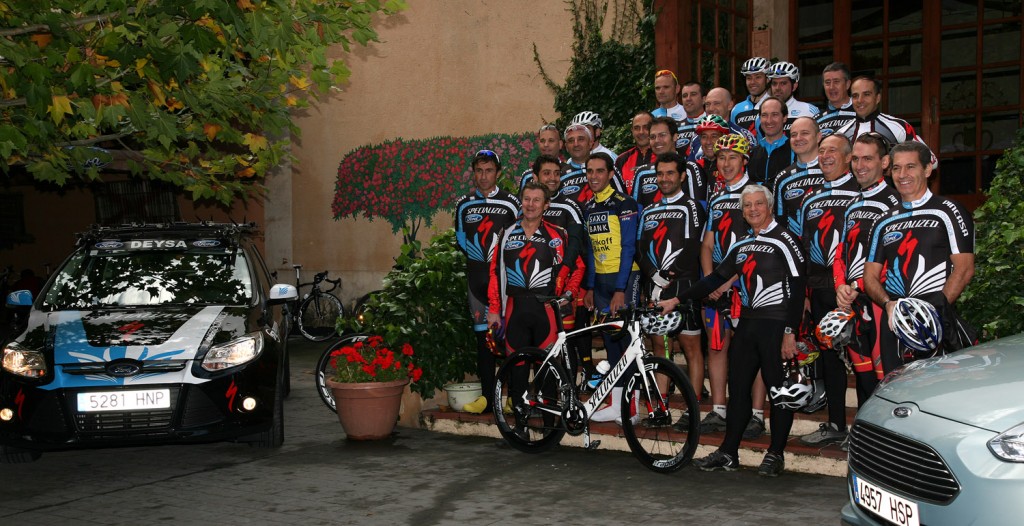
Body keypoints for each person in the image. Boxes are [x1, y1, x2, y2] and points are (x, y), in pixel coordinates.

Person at [660, 184, 808, 477]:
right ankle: (729, 452)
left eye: (758, 204)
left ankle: (775, 454)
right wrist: (677, 299)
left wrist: (791, 332)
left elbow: (799, 287)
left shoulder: (786, 239)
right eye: (748, 206)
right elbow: (716, 278)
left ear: (769, 206)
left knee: (779, 392)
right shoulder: (742, 244)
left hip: (777, 324)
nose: (753, 210)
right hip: (749, 323)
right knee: (737, 389)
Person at [863, 141, 975, 375]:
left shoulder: (948, 211)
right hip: (895, 320)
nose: (902, 175)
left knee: (939, 393)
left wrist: (931, 313)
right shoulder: (882, 220)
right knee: (896, 391)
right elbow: (870, 276)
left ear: (927, 170)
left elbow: (964, 270)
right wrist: (888, 304)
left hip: (936, 318)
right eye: (896, 168)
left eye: (910, 167)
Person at [792, 134, 860, 448]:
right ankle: (835, 423)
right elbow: (803, 248)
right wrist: (805, 291)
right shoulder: (810, 198)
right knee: (830, 357)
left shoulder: (861, 193)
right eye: (822, 151)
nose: (825, 155)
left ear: (849, 157)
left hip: (854, 291)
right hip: (819, 289)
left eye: (832, 150)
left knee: (862, 360)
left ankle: (865, 431)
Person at [699, 134, 768, 438]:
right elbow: (707, 244)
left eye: (732, 157)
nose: (725, 163)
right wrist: (710, 281)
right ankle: (718, 409)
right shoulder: (716, 196)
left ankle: (756, 413)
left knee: (752, 350)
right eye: (721, 157)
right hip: (716, 286)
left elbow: (759, 245)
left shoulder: (756, 194)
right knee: (717, 346)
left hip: (748, 284)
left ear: (745, 160)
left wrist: (728, 281)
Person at [833, 132, 901, 405]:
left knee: (886, 380)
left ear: (884, 162)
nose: (860, 165)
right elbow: (840, 253)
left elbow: (897, 259)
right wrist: (840, 285)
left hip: (880, 301)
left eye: (868, 159)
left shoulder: (895, 202)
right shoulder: (852, 204)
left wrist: (859, 286)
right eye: (856, 159)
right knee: (863, 378)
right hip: (852, 301)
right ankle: (864, 439)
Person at [636, 151, 707, 407]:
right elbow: (640, 248)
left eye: (670, 173)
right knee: (659, 346)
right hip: (654, 285)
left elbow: (693, 246)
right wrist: (653, 276)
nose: (664, 178)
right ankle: (661, 405)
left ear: (682, 176)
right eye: (660, 173)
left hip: (684, 285)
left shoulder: (691, 206)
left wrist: (670, 275)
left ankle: (694, 406)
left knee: (691, 348)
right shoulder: (649, 210)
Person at [454, 150, 522, 414]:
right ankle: (486, 397)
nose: (484, 176)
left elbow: (520, 239)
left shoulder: (511, 203)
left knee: (509, 339)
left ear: (498, 173)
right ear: (474, 173)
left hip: (505, 283)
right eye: (479, 171)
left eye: (489, 170)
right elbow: (461, 240)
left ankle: (512, 396)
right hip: (476, 280)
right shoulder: (464, 204)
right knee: (483, 340)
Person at [581, 152, 640, 423]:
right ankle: (617, 405)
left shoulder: (624, 203)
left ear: (611, 173)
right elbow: (592, 251)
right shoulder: (588, 207)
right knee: (610, 343)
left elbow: (629, 247)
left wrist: (620, 289)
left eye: (599, 171)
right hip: (601, 281)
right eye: (590, 171)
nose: (594, 176)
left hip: (624, 279)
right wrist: (591, 287)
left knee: (628, 343)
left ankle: (634, 407)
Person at [486, 181, 578, 354]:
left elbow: (577, 266)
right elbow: (495, 272)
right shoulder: (507, 232)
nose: (530, 204)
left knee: (547, 372)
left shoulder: (558, 234)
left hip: (547, 310)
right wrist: (494, 309)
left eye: (536, 200)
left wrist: (568, 294)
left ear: (546, 205)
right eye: (527, 199)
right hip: (515, 308)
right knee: (516, 372)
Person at [533, 154, 591, 375]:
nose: (552, 178)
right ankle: (546, 395)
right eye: (547, 173)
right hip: (536, 285)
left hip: (567, 282)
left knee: (567, 339)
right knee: (543, 340)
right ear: (535, 175)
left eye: (557, 174)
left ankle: (572, 393)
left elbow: (576, 243)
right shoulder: (529, 205)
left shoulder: (569, 206)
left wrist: (564, 272)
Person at [837, 76, 932, 166]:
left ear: (878, 98)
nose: (860, 100)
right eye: (855, 95)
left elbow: (931, 161)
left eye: (866, 94)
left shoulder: (898, 126)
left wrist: (896, 167)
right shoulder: (841, 133)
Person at [630, 117, 709, 210]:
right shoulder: (641, 173)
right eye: (652, 137)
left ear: (675, 137)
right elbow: (635, 212)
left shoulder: (690, 168)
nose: (657, 141)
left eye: (662, 135)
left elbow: (701, 209)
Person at [765, 116, 824, 234]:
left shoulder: (831, 170)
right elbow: (779, 221)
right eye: (793, 135)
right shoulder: (783, 178)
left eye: (805, 133)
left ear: (818, 137)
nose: (798, 138)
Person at [560, 123, 625, 206]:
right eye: (571, 140)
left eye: (581, 139)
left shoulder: (607, 168)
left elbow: (624, 201)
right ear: (566, 146)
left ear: (590, 143)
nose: (576, 144)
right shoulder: (560, 175)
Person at [748, 97, 794, 184]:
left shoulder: (794, 150)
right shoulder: (751, 153)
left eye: (775, 114)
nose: (769, 120)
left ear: (784, 117)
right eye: (764, 115)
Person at [767, 61, 819, 131]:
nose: (777, 88)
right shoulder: (763, 113)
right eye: (774, 83)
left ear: (794, 86)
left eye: (783, 83)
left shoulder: (809, 111)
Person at [615, 111, 655, 195]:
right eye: (637, 128)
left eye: (646, 127)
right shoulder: (622, 160)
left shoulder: (664, 156)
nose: (641, 132)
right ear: (632, 131)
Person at [731, 57, 771, 138]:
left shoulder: (776, 106)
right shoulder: (737, 109)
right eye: (749, 78)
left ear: (768, 79)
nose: (752, 82)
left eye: (758, 77)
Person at [518, 124, 564, 192]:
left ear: (560, 144)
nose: (546, 145)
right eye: (542, 141)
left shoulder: (568, 173)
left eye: (551, 141)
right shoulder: (528, 176)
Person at [815, 62, 856, 137]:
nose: (831, 87)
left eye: (836, 81)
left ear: (847, 84)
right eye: (827, 82)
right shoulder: (816, 119)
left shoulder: (861, 113)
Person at [675, 81, 707, 154]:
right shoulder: (675, 127)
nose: (688, 98)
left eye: (693, 94)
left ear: (704, 99)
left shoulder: (714, 123)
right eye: (685, 95)